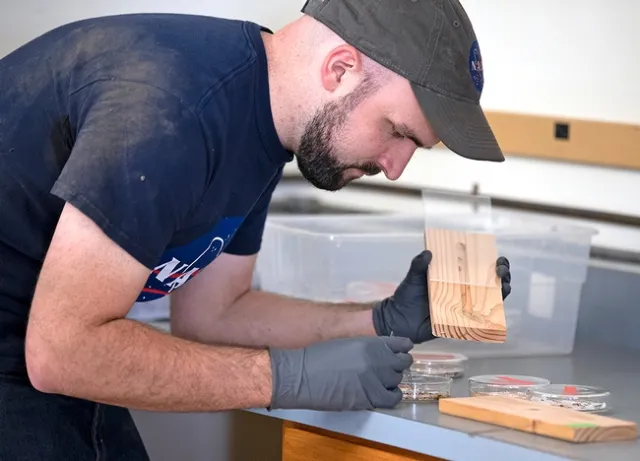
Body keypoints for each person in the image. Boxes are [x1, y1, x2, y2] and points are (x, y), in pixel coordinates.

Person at [0, 0, 512, 459]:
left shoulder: (267, 122)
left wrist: (378, 321)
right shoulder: (172, 112)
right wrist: (288, 378)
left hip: (39, 351)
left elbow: (213, 315)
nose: (396, 166)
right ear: (340, 69)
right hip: (35, 355)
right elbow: (63, 354)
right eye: (397, 131)